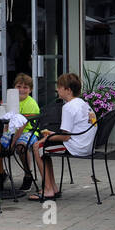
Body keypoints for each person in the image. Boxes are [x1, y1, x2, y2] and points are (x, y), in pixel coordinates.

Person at [29, 72, 94, 202]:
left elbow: (65, 137)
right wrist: (51, 136)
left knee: (37, 147)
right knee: (44, 148)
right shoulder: (83, 104)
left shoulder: (68, 107)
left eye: (59, 87)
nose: (57, 89)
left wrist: (46, 138)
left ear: (68, 90)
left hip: (75, 146)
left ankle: (48, 189)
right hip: (85, 144)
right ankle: (53, 187)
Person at [0, 73, 42, 192]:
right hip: (13, 131)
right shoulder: (10, 101)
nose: (21, 90)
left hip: (29, 131)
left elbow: (21, 127)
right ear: (14, 88)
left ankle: (28, 175)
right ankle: (1, 173)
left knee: (21, 146)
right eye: (19, 86)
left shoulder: (31, 104)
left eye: (25, 87)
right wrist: (5, 136)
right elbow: (6, 120)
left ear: (30, 90)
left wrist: (12, 143)